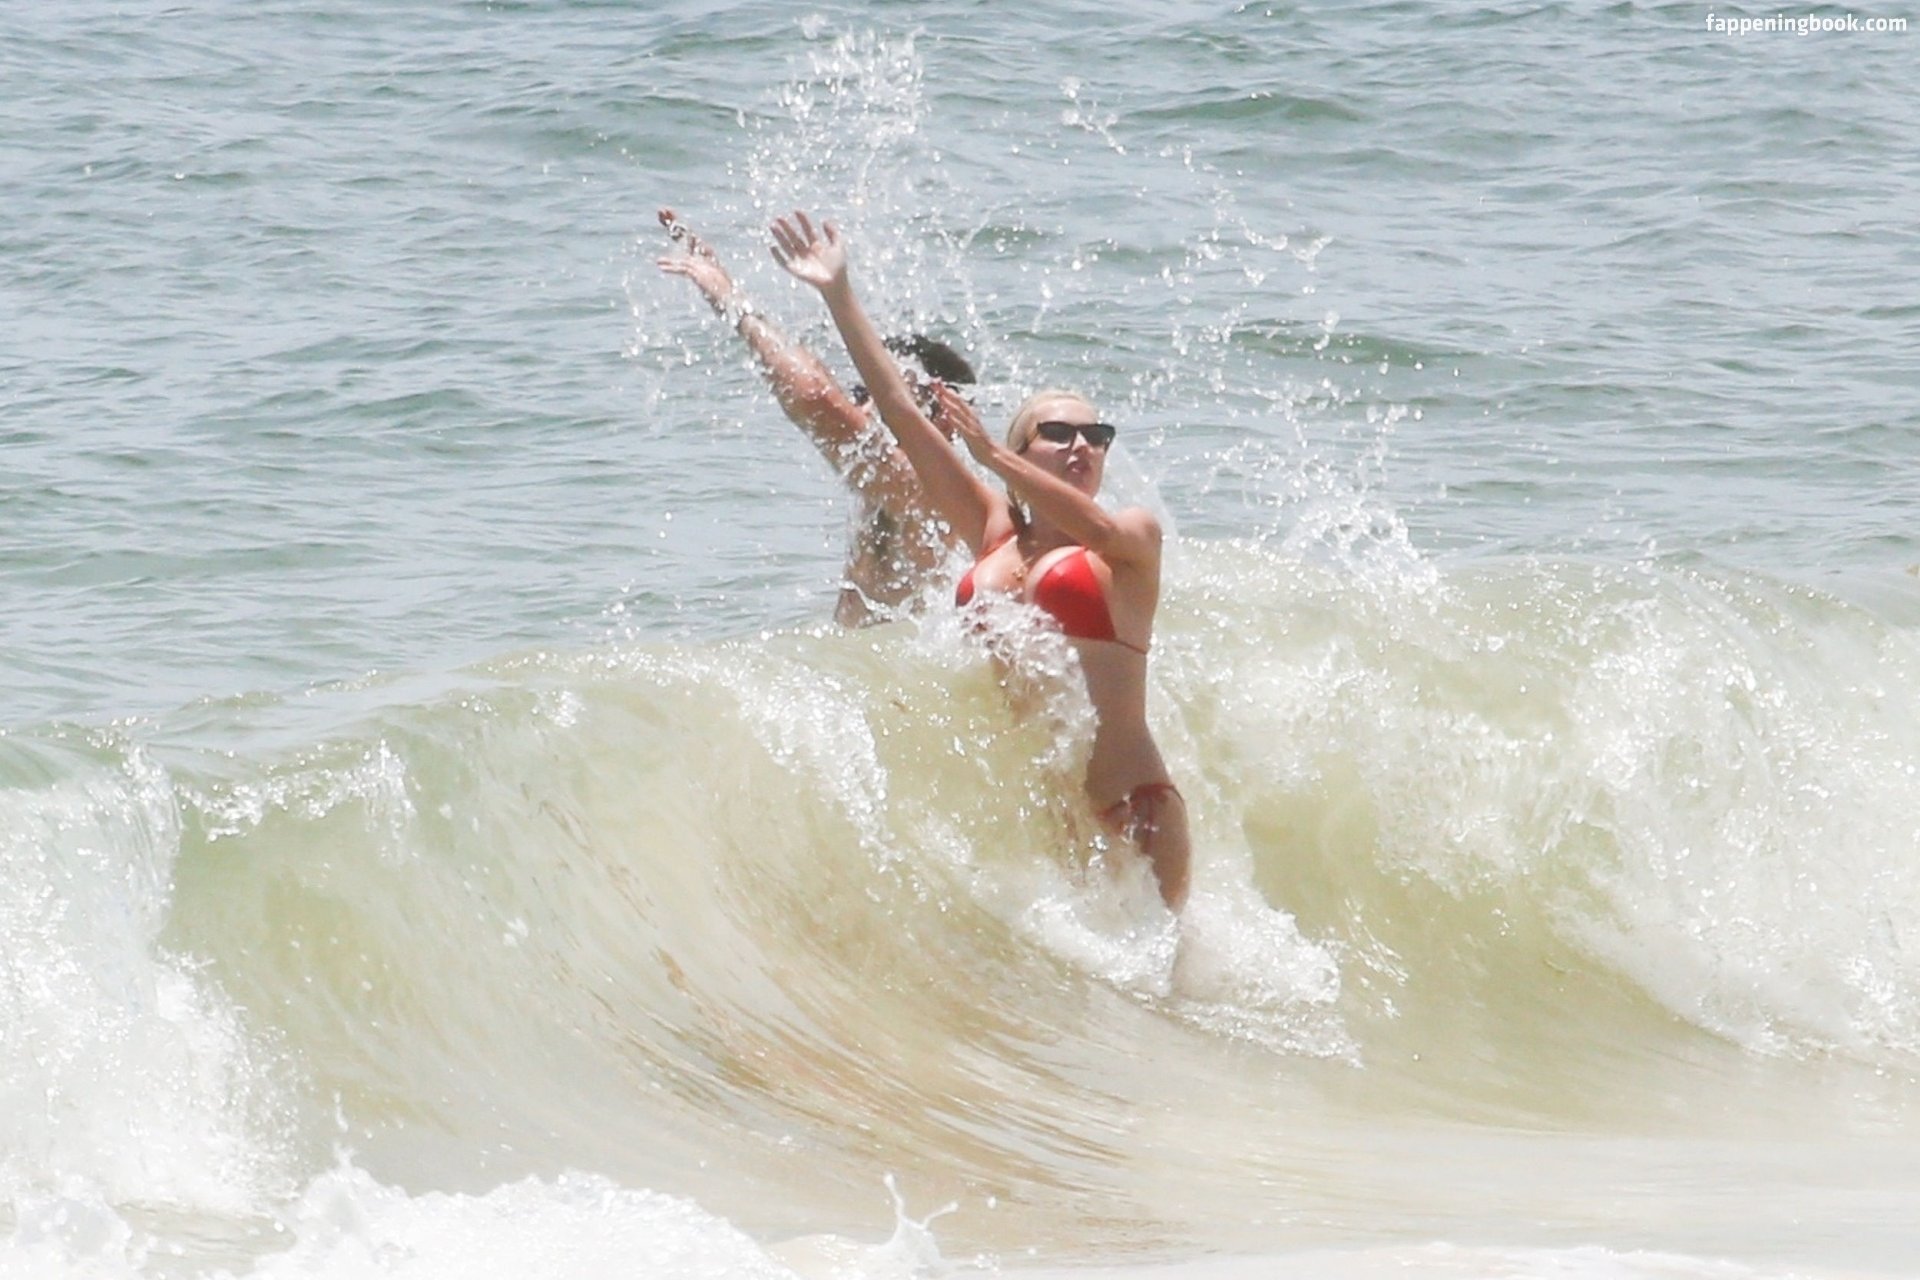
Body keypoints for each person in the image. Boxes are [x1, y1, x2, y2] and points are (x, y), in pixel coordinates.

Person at [770, 210, 1191, 911]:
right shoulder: (994, 533)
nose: (1083, 446)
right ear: (1026, 449)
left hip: (1134, 808)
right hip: (1048, 818)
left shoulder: (1127, 539)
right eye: (1058, 433)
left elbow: (1089, 522)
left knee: (1154, 978)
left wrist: (991, 455)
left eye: (1096, 435)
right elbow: (900, 411)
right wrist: (839, 296)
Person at [655, 208, 975, 627]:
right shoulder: (912, 492)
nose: (864, 410)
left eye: (886, 400)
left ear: (946, 418)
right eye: (861, 394)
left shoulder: (926, 491)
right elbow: (824, 389)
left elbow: (816, 398)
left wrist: (732, 302)